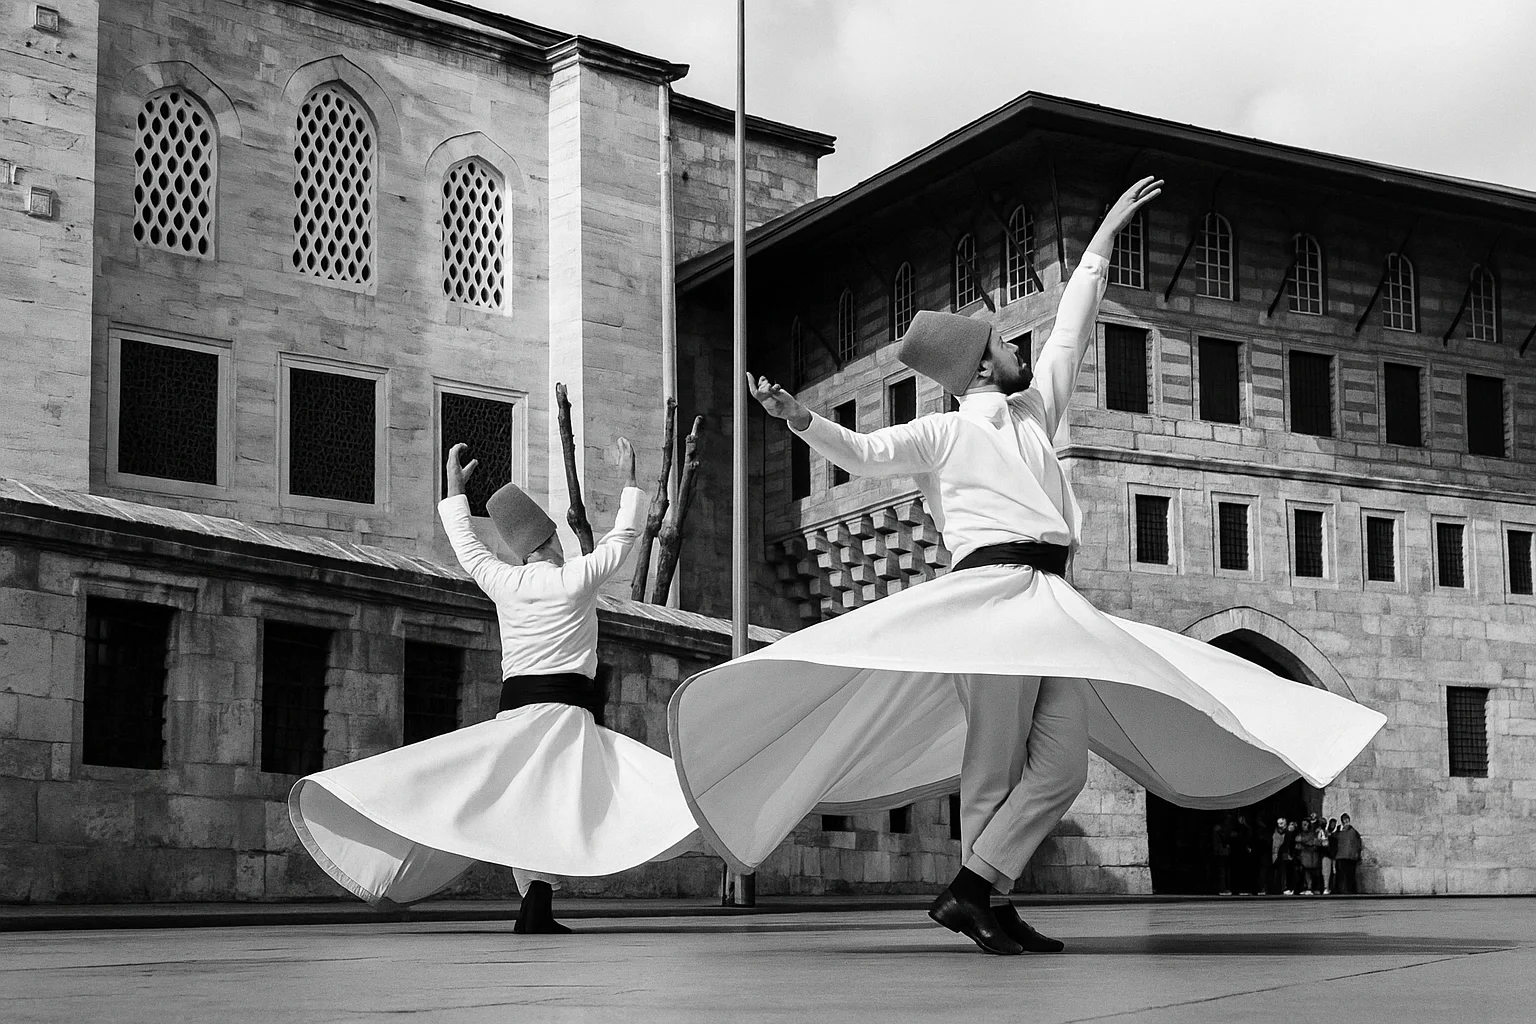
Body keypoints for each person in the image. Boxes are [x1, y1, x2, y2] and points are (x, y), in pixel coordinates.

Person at [667, 175, 1386, 956]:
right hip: (990, 600)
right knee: (992, 763)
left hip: (1051, 600)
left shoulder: (1034, 413)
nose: (1021, 351)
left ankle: (976, 888)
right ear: (979, 369)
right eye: (1006, 346)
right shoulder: (940, 434)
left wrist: (1104, 237)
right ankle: (988, 901)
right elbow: (866, 454)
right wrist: (799, 418)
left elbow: (1073, 334)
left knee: (1063, 765)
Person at [289, 439, 698, 933]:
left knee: (522, 805)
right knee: (562, 803)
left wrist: (454, 489)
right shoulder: (576, 578)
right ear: (552, 540)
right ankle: (537, 904)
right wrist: (630, 479)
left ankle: (535, 904)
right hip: (566, 717)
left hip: (518, 715)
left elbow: (467, 547)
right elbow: (625, 536)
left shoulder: (503, 581)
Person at [1333, 812, 1363, 894]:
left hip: (1347, 856)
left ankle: (1347, 890)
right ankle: (1345, 890)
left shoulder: (1351, 831)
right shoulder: (1345, 831)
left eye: (1346, 819)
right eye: (1344, 820)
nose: (1346, 821)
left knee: (1347, 875)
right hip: (1344, 856)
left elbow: (1357, 844)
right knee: (1345, 875)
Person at [1322, 817, 1339, 894]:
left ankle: (1331, 887)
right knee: (1326, 872)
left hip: (1333, 855)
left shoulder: (1335, 835)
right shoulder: (1325, 833)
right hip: (1327, 855)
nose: (1333, 826)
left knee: (1333, 872)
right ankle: (1326, 887)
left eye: (1334, 824)